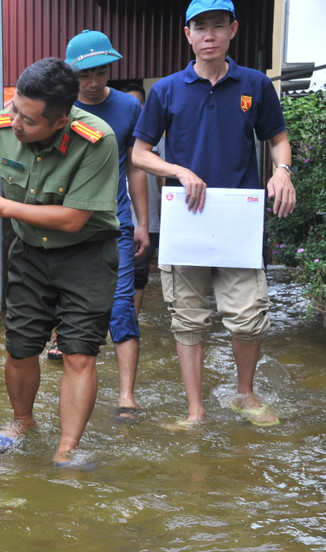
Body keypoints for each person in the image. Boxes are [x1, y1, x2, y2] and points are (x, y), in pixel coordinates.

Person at [0, 57, 120, 465]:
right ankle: (23, 421)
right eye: (15, 107)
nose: (15, 122)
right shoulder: (2, 125)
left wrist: (3, 206)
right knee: (19, 347)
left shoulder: (97, 140)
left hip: (86, 254)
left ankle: (66, 450)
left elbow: (74, 219)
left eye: (29, 119)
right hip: (30, 254)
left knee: (78, 352)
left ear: (60, 122)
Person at [132, 0, 296, 427]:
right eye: (200, 27)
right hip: (186, 218)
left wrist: (283, 172)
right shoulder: (166, 90)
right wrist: (179, 170)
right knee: (187, 317)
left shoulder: (255, 85)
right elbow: (140, 154)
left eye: (218, 26)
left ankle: (244, 393)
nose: (209, 35)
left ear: (233, 30)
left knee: (247, 317)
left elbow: (277, 139)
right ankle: (195, 410)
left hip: (238, 217)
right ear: (187, 34)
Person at [64, 30, 150, 422]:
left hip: (116, 222)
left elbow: (134, 167)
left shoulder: (129, 109)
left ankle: (127, 396)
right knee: (70, 312)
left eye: (101, 73)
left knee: (121, 309)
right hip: (68, 224)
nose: (94, 83)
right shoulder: (57, 107)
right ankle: (76, 394)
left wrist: (142, 223)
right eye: (85, 75)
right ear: (71, 75)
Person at [122, 83, 165, 318]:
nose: (133, 107)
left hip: (148, 220)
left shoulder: (156, 140)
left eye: (137, 103)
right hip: (118, 218)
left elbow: (164, 181)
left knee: (139, 276)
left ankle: (132, 323)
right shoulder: (114, 133)